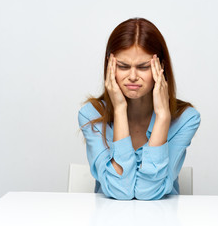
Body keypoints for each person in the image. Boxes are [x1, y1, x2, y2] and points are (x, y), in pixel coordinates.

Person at [78, 17, 201, 200]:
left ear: (161, 67)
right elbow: (120, 191)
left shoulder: (186, 119)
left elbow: (148, 193)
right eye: (123, 66)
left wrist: (162, 118)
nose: (133, 76)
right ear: (110, 66)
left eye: (143, 67)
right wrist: (119, 110)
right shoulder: (90, 115)